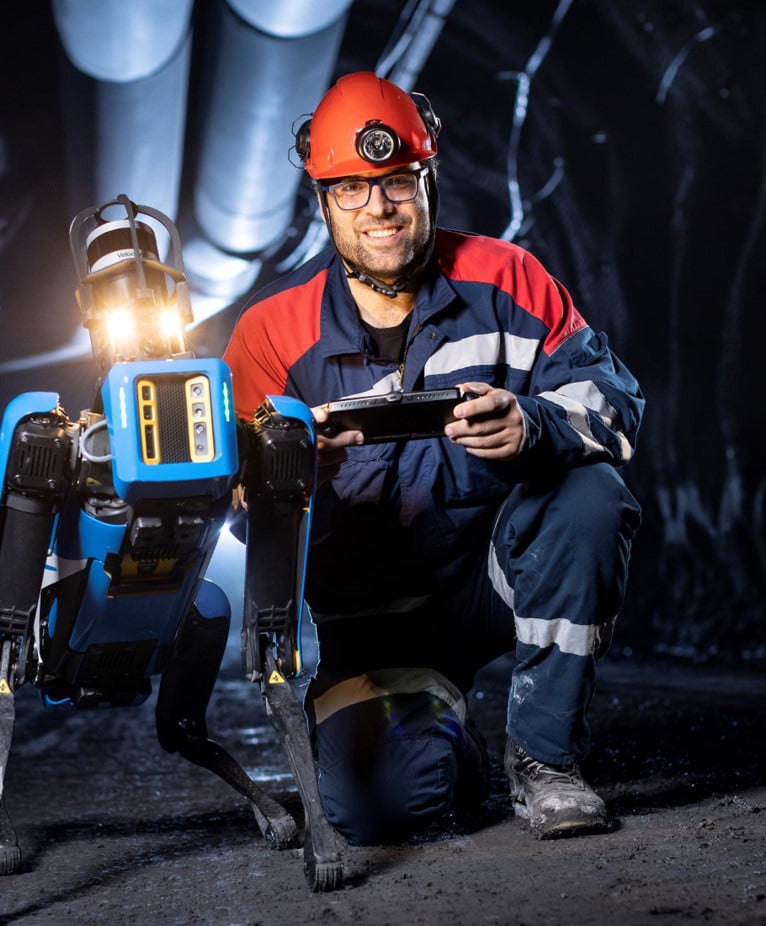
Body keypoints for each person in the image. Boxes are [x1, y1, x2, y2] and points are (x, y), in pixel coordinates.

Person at [224, 72, 643, 846]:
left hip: (495, 580)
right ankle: (444, 730)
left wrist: (534, 423)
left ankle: (545, 757)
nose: (378, 208)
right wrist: (289, 475)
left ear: (429, 180)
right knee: (379, 809)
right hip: (371, 624)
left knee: (591, 493)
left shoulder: (508, 278)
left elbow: (617, 402)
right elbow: (235, 503)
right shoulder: (270, 336)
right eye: (350, 188)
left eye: (396, 183)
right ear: (321, 201)